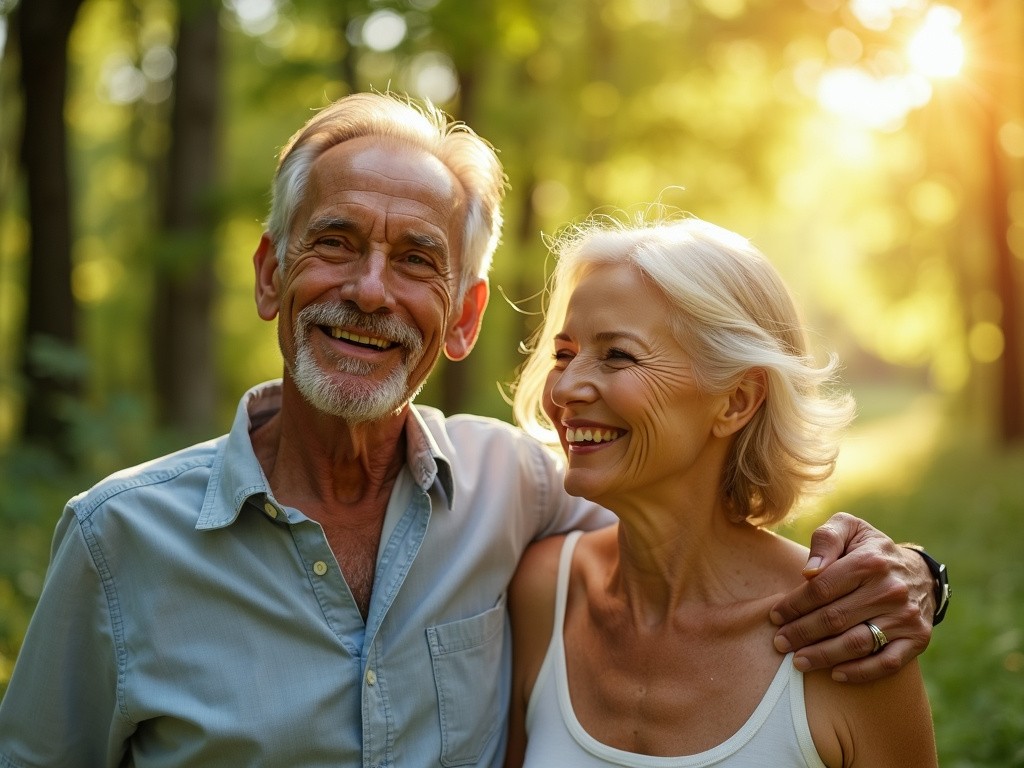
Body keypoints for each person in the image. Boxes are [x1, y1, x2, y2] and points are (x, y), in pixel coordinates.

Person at [0, 93, 945, 767]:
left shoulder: (519, 489)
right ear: (268, 276)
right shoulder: (117, 542)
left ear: (462, 316)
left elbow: (688, 510)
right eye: (335, 242)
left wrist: (911, 575)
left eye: (417, 259)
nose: (370, 290)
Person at [504, 213, 938, 767]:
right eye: (564, 354)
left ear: (736, 400)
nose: (564, 388)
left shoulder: (845, 634)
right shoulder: (546, 591)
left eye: (618, 355)